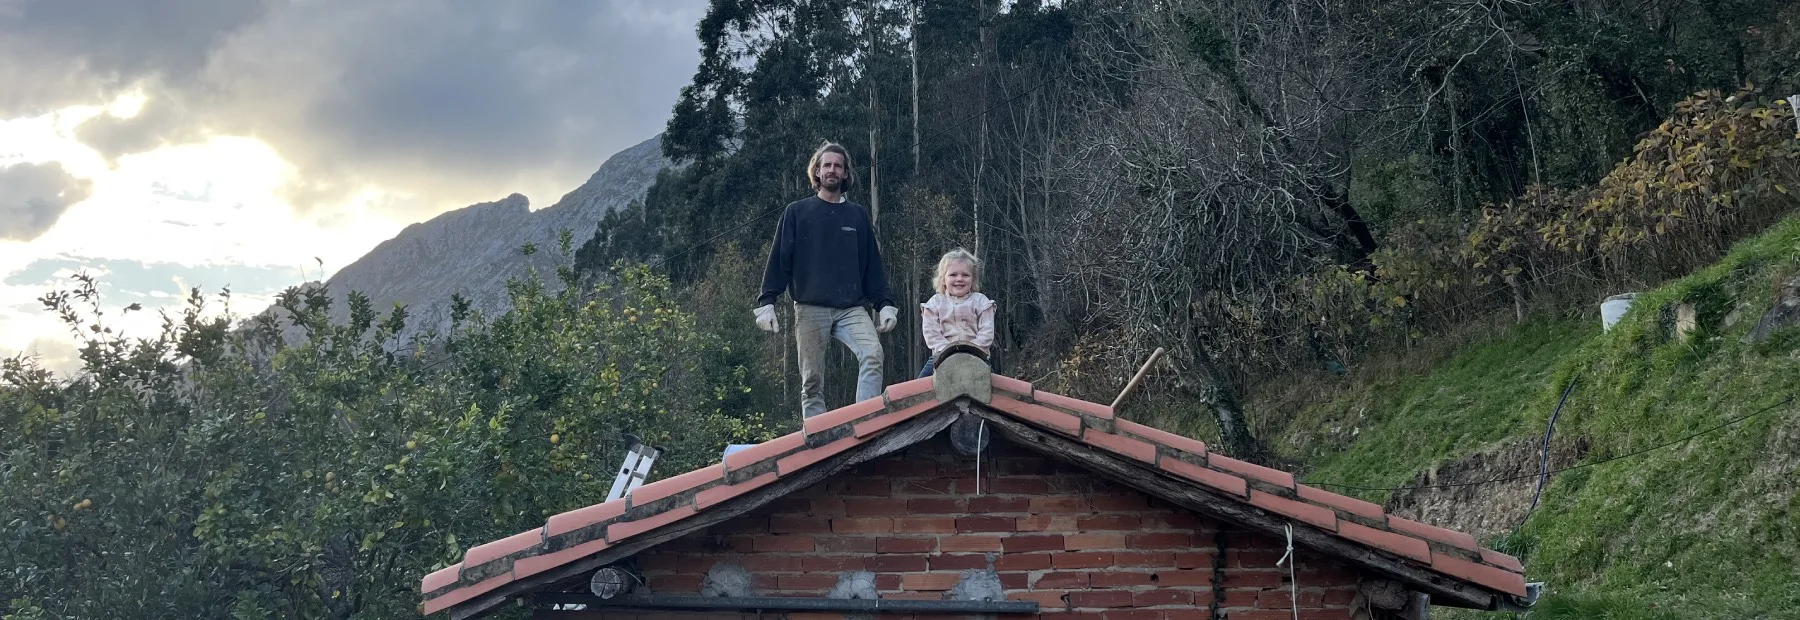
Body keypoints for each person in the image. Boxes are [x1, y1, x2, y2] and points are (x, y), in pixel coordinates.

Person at [754, 141, 899, 419]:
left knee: (872, 354)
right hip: (810, 307)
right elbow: (779, 260)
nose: (833, 170)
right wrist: (767, 302)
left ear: (846, 174)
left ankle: (865, 421)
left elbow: (872, 265)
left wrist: (885, 303)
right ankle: (817, 440)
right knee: (811, 381)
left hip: (852, 308)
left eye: (838, 166)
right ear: (817, 172)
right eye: (827, 165)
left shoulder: (857, 215)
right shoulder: (797, 212)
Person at [918, 248, 995, 377]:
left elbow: (986, 333)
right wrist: (949, 351)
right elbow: (931, 333)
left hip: (977, 355)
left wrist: (971, 349)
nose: (959, 279)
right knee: (919, 388)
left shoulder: (981, 302)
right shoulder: (935, 303)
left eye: (965, 275)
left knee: (996, 387)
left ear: (973, 279)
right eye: (953, 275)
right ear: (943, 279)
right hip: (942, 355)